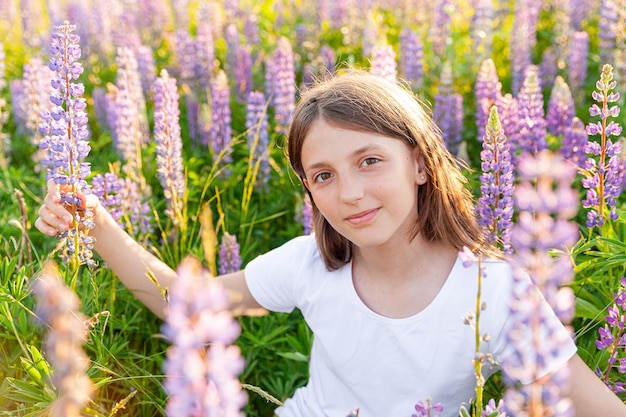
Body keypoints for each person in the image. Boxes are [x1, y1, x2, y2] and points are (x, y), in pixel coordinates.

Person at [35, 71, 626, 417]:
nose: (349, 193)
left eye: (370, 161)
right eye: (322, 176)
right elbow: (182, 304)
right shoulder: (312, 262)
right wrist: (100, 224)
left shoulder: (493, 288)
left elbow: (592, 404)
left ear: (420, 164)